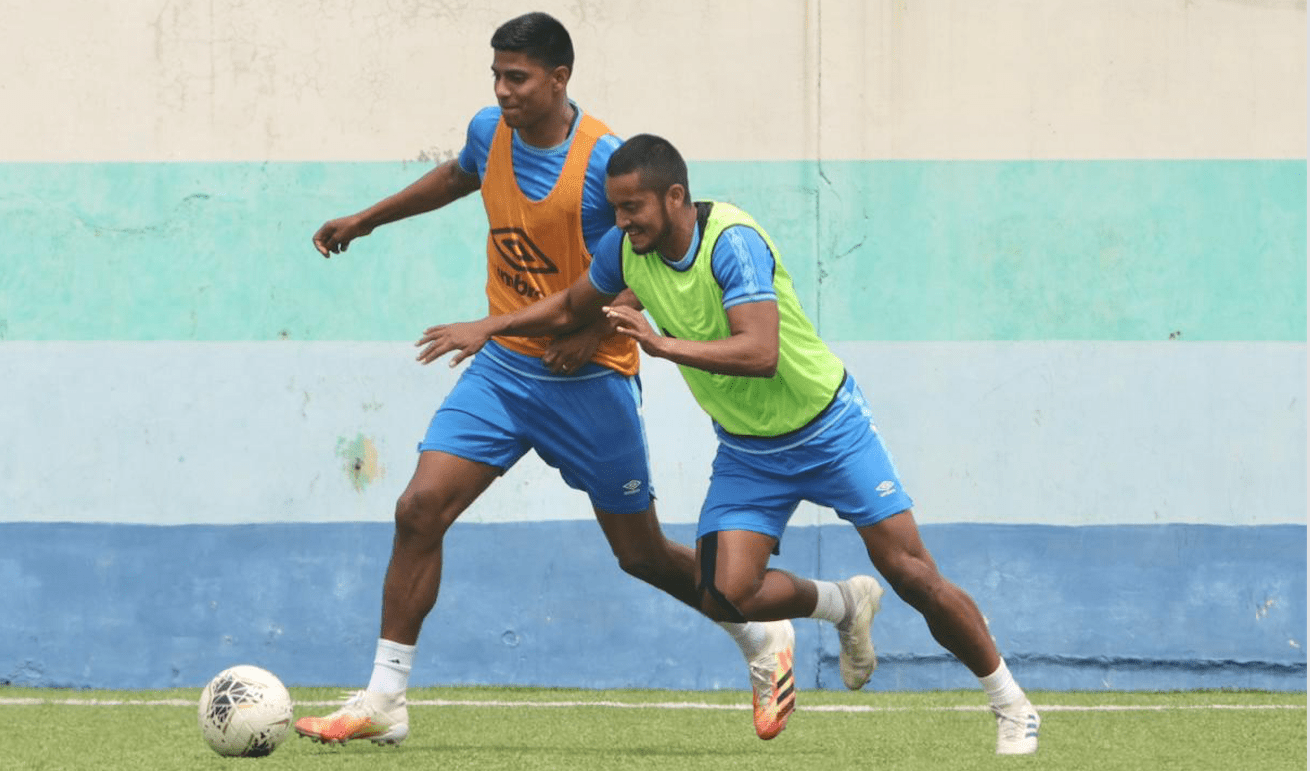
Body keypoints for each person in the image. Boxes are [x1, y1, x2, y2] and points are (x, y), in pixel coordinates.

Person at [293, 15, 875, 746]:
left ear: (558, 78)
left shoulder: (606, 161)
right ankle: (385, 696)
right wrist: (368, 219)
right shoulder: (489, 131)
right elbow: (456, 176)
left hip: (588, 380)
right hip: (504, 371)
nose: (503, 91)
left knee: (639, 554)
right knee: (419, 507)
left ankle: (769, 636)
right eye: (496, 76)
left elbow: (648, 264)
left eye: (518, 78)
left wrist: (594, 330)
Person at [417, 134, 1041, 755]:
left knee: (911, 574)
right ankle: (844, 604)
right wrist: (489, 326)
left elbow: (760, 353)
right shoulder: (624, 251)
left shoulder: (732, 242)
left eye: (633, 207)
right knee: (724, 592)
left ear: (675, 196)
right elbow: (570, 306)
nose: (621, 221)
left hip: (830, 430)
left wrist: (661, 346)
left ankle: (1011, 704)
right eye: (615, 208)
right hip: (748, 451)